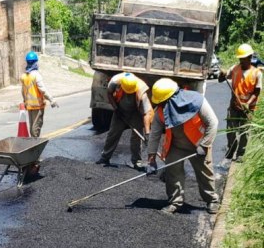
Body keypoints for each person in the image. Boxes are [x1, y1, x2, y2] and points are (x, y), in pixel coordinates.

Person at [146, 78, 220, 214]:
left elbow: (213, 122)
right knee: (172, 173)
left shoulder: (196, 101)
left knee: (205, 174)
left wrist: (204, 145)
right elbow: (154, 135)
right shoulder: (161, 111)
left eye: (162, 102)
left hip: (198, 144)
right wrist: (151, 159)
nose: (161, 104)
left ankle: (212, 200)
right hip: (175, 146)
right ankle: (175, 202)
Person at [95, 72, 153, 169]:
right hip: (120, 111)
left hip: (135, 113)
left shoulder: (141, 89)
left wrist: (147, 133)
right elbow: (109, 94)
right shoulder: (114, 82)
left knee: (137, 137)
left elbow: (147, 113)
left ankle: (137, 161)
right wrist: (115, 108)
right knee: (113, 134)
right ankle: (105, 157)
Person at [218, 43, 263, 161]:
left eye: (243, 59)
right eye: (240, 59)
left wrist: (248, 103)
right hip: (234, 106)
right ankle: (231, 148)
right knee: (231, 131)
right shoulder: (234, 69)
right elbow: (221, 79)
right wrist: (221, 74)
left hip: (248, 108)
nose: (241, 61)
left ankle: (240, 154)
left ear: (249, 58)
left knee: (244, 132)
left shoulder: (257, 73)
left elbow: (257, 92)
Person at [20, 51, 58, 138]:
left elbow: (23, 91)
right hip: (37, 105)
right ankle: (35, 143)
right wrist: (52, 100)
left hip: (29, 105)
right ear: (35, 62)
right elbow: (43, 90)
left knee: (32, 125)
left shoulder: (24, 76)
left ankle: (33, 140)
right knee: (37, 125)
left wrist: (25, 102)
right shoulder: (36, 75)